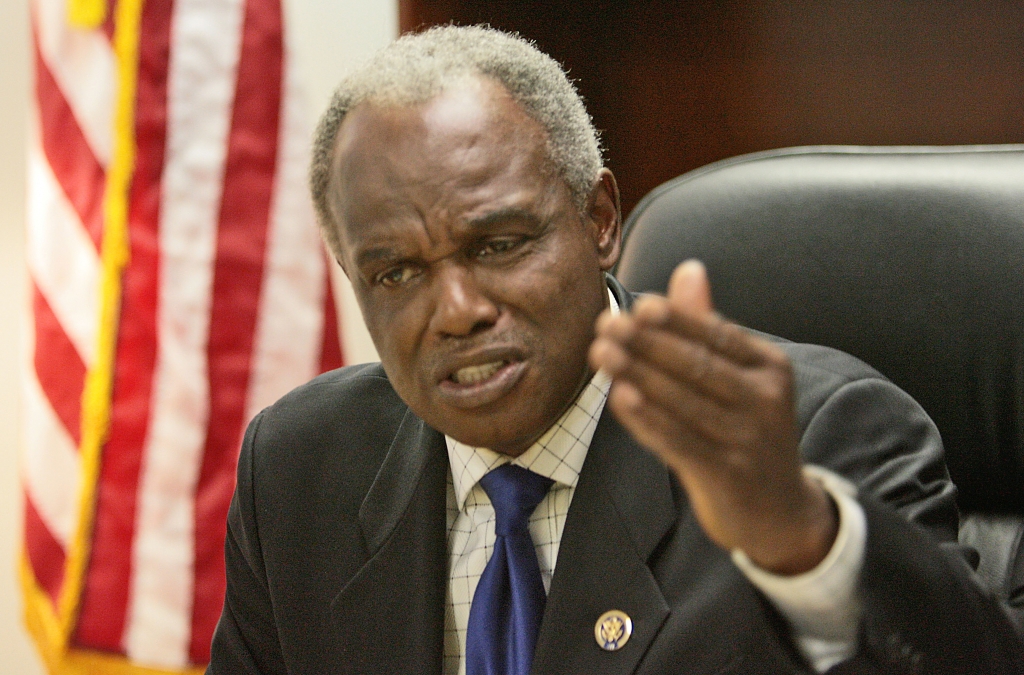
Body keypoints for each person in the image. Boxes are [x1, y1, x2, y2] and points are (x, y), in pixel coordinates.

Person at [207, 26, 1023, 675]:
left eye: (497, 245)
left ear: (600, 221)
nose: (454, 311)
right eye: (396, 272)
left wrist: (801, 537)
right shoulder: (300, 469)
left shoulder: (813, 441)